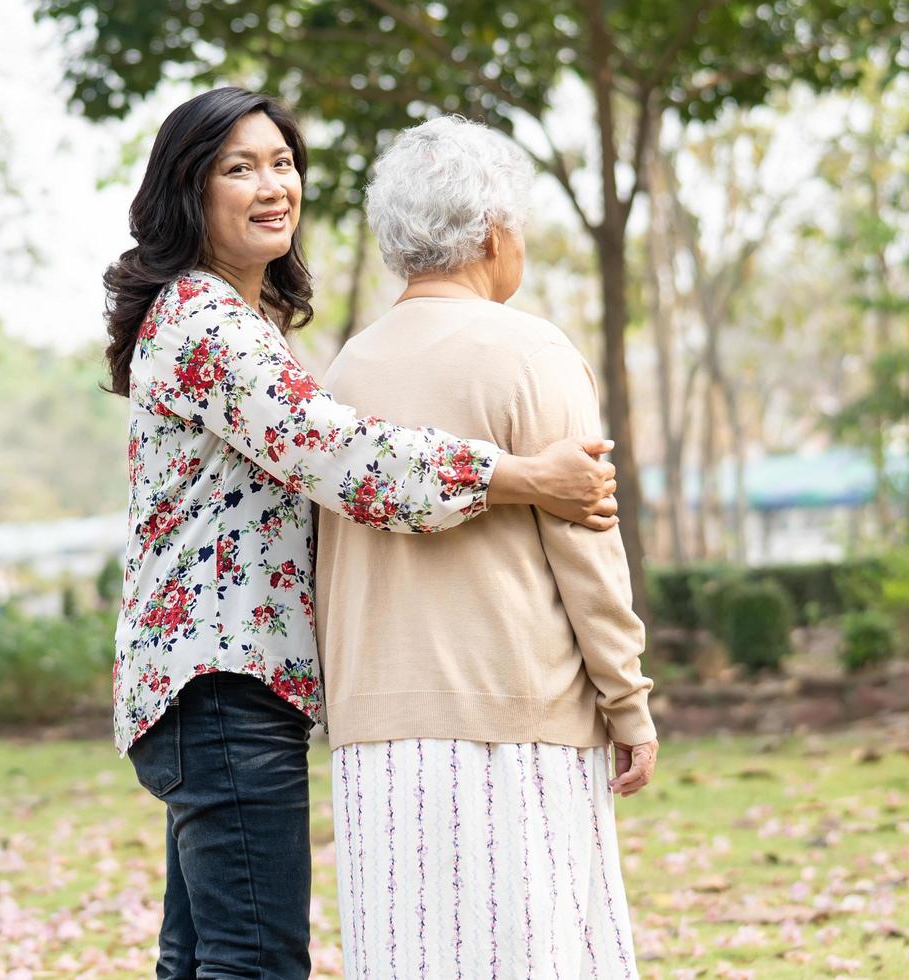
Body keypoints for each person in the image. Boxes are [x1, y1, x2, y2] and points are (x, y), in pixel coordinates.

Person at [103, 87, 622, 980]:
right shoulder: (207, 327)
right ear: (190, 191)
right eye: (239, 168)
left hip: (210, 687)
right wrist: (521, 476)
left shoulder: (222, 319)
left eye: (282, 163)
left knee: (202, 958)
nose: (274, 186)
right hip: (224, 683)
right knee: (255, 961)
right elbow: (340, 456)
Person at [316, 115, 659, 979]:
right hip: (517, 717)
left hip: (376, 736)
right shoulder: (531, 352)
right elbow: (588, 551)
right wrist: (628, 700)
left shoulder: (345, 371)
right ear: (492, 233)